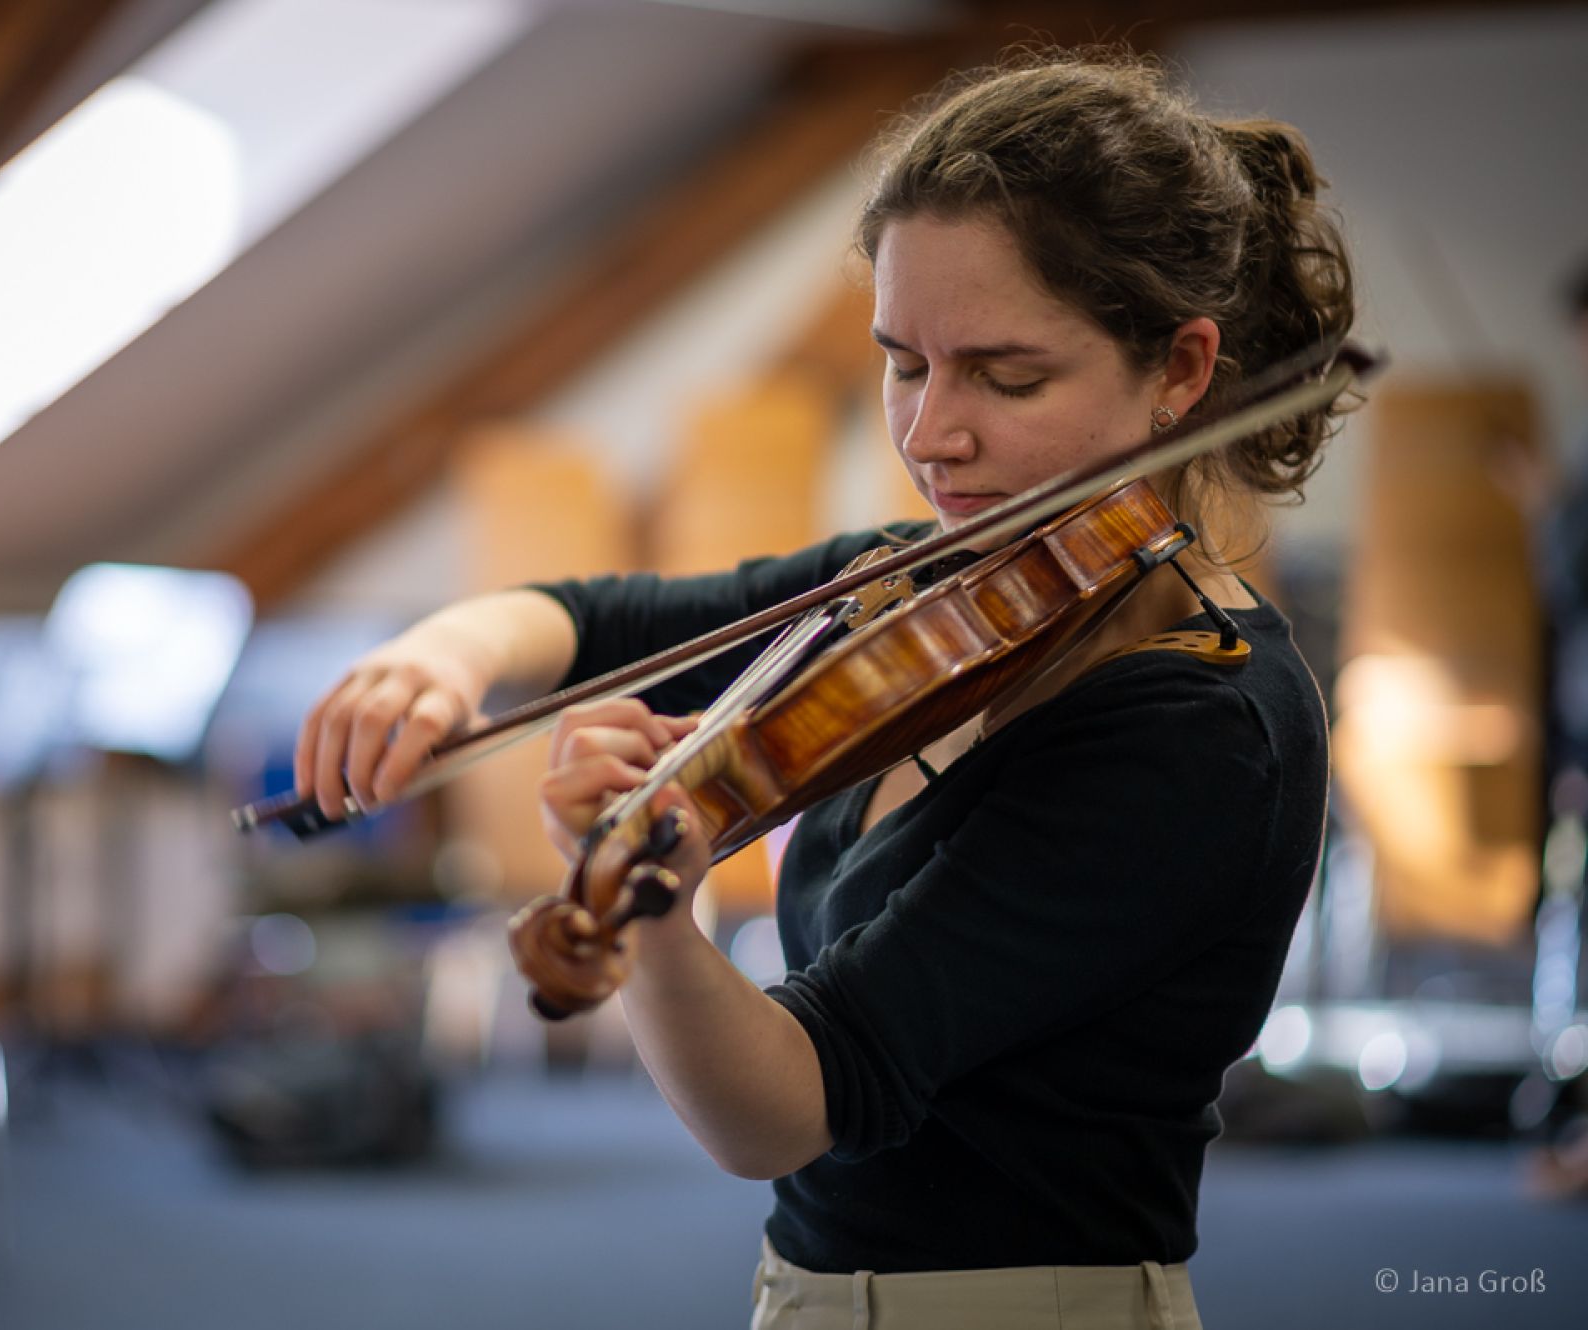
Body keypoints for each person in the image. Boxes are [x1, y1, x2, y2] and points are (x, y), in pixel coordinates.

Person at [293, 49, 1354, 1329]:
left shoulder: (1196, 726)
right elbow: (596, 622)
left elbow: (792, 1102)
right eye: (904, 362)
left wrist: (650, 918)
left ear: (1180, 371)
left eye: (1004, 376)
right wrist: (442, 657)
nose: (928, 434)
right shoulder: (913, 586)